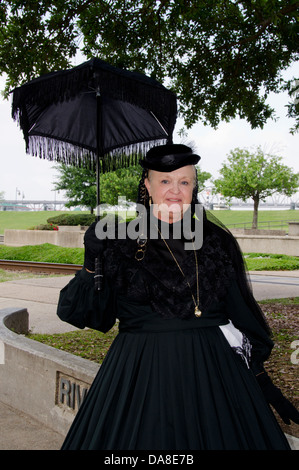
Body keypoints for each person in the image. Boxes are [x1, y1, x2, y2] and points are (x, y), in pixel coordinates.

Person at [57, 144, 298, 450]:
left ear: (194, 187)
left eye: (184, 181)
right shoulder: (118, 242)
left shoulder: (217, 243)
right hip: (140, 377)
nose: (175, 190)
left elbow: (243, 319)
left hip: (216, 380)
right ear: (147, 185)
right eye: (165, 181)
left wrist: (261, 380)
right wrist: (92, 263)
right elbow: (83, 314)